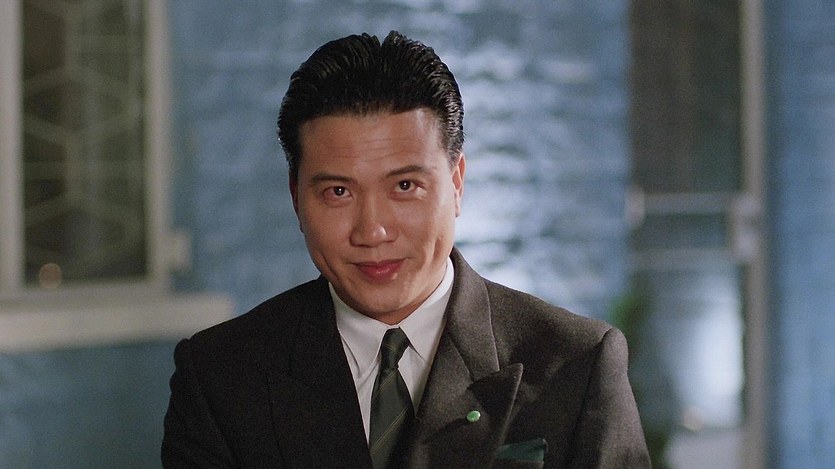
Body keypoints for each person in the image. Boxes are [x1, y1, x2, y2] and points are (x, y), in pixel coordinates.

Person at [162, 30, 650, 468]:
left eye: (404, 186)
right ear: (296, 198)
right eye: (338, 192)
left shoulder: (576, 365)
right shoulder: (221, 378)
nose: (372, 231)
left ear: (456, 183)